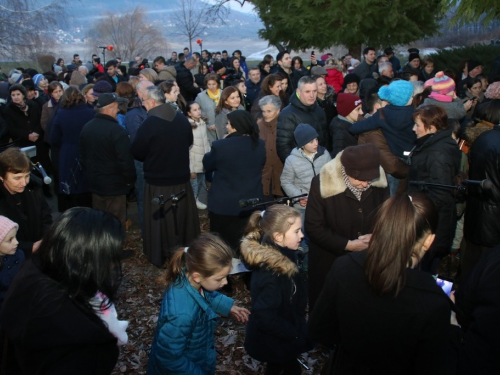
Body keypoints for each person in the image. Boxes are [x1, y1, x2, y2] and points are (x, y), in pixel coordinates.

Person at [309, 193, 458, 374]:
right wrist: (452, 326)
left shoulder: (344, 267)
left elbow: (321, 330)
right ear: (428, 241)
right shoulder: (433, 302)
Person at [0, 208, 128, 374]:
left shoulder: (37, 270)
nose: (111, 265)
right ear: (86, 257)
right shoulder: (61, 318)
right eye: (108, 257)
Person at [147, 233, 250, 375]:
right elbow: (169, 359)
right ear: (197, 276)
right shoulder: (181, 315)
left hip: (194, 356)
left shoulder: (189, 276)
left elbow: (204, 295)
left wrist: (228, 306)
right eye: (219, 278)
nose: (225, 282)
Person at [305, 143, 389, 310]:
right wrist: (348, 245)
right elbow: (313, 227)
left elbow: (387, 218)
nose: (366, 184)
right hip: (329, 261)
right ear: (347, 172)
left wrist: (378, 236)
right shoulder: (322, 183)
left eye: (369, 180)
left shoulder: (379, 184)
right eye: (361, 179)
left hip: (366, 261)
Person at [131, 87, 200, 267]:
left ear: (152, 102)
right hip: (181, 180)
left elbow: (137, 152)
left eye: (144, 102)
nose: (144, 106)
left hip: (158, 182)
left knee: (160, 221)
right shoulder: (181, 119)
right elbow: (189, 142)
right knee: (183, 220)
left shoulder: (149, 124)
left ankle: (161, 254)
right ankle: (186, 251)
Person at [241, 205, 314, 375]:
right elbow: (264, 316)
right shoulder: (273, 274)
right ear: (278, 237)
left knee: (284, 365)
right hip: (277, 338)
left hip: (284, 331)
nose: (302, 235)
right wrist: (294, 333)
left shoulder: (285, 255)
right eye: (296, 232)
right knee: (283, 366)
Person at [203, 110, 265, 254]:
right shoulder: (260, 145)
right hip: (251, 203)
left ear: (236, 126)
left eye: (228, 124)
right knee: (249, 245)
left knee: (222, 247)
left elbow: (208, 163)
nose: (226, 127)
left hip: (225, 205)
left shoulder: (221, 146)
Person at [408, 105, 461, 272]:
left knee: (424, 271)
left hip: (431, 224)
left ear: (431, 127)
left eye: (417, 125)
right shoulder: (433, 144)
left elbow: (440, 194)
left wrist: (418, 211)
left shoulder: (438, 153)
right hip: (430, 222)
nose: (413, 128)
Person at [79, 93, 136, 228]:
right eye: (117, 107)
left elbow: (82, 158)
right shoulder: (117, 131)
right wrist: (129, 180)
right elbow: (125, 160)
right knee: (116, 223)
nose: (118, 110)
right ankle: (115, 248)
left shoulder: (87, 127)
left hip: (95, 184)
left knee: (99, 221)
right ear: (110, 108)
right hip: (115, 186)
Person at [0, 148, 52, 253]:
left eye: (27, 176)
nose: (24, 183)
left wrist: (44, 241)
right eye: (17, 178)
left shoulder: (34, 187)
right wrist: (30, 247)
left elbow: (45, 216)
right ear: (1, 176)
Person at [50, 87, 95, 211]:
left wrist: (65, 143)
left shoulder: (61, 114)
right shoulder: (91, 112)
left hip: (68, 152)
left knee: (70, 183)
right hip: (87, 150)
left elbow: (53, 138)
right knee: (86, 183)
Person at [276, 75, 329, 162]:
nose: (312, 95)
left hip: (320, 163)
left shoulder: (319, 110)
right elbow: (283, 146)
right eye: (307, 91)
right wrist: (298, 167)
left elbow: (325, 138)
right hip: (300, 167)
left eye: (314, 91)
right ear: (299, 92)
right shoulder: (287, 114)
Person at [257, 95, 283, 198]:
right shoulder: (258, 126)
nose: (265, 115)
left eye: (269, 111)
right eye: (263, 111)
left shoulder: (285, 125)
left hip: (281, 175)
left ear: (278, 111)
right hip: (264, 175)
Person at [185, 102, 210, 210]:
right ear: (189, 113)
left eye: (199, 108)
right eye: (194, 110)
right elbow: (188, 148)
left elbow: (206, 142)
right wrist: (190, 168)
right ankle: (192, 202)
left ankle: (196, 200)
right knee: (193, 185)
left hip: (203, 159)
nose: (198, 111)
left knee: (200, 183)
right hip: (193, 161)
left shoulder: (202, 123)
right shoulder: (188, 126)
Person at [330, 93, 363, 157]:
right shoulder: (340, 133)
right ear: (347, 111)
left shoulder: (351, 125)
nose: (361, 112)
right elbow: (338, 159)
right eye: (358, 109)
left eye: (361, 108)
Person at [194, 73, 220, 144]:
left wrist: (219, 125)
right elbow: (195, 112)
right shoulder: (200, 96)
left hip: (223, 129)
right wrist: (206, 124)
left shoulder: (223, 94)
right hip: (208, 130)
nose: (211, 87)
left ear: (217, 83)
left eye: (213, 84)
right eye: (209, 84)